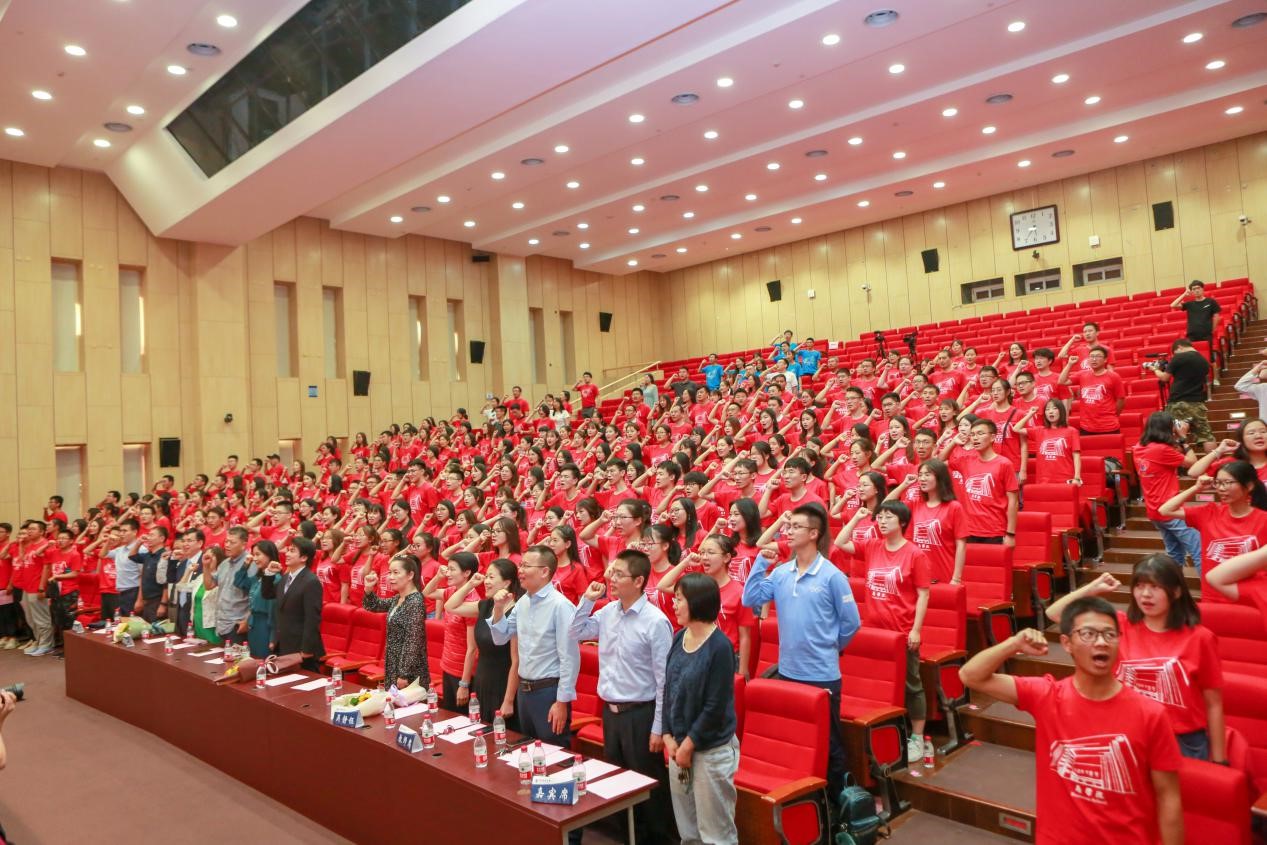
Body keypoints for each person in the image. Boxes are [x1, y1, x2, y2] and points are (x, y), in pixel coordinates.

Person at [959, 600, 1184, 845]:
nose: (1101, 642)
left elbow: (1169, 797)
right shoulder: (1047, 696)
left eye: (1110, 634)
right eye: (1088, 634)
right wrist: (1013, 644)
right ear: (1067, 643)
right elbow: (970, 676)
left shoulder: (1151, 714)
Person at [1044, 557, 1226, 763]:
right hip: (1128, 734)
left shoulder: (1200, 638)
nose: (1146, 594)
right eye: (1139, 586)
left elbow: (1214, 704)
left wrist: (1220, 761)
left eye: (1155, 586)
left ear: (1176, 592)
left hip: (1182, 741)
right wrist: (1091, 589)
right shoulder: (1119, 626)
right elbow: (1054, 613)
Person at [741, 503, 861, 801]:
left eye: (796, 527)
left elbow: (851, 623)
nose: (788, 531)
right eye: (788, 526)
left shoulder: (832, 576)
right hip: (788, 671)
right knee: (797, 742)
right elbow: (750, 598)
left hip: (822, 674)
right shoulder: (782, 573)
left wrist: (830, 646)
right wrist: (760, 563)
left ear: (814, 533)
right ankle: (805, 802)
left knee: (830, 743)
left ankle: (838, 804)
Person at [570, 550, 674, 845]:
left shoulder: (655, 622)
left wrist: (659, 727)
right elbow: (575, 631)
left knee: (647, 784)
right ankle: (629, 837)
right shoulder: (607, 612)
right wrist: (587, 600)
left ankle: (658, 840)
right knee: (618, 780)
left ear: (639, 581)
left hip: (641, 714)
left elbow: (664, 681)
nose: (611, 579)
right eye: (611, 572)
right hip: (611, 713)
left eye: (618, 574)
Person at [836, 501, 931, 763]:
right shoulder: (873, 546)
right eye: (880, 517)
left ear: (902, 522)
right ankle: (886, 735)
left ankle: (918, 737)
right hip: (874, 631)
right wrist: (857, 517)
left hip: (901, 630)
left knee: (911, 684)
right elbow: (841, 542)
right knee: (876, 684)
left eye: (888, 517)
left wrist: (916, 630)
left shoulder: (914, 554)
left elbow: (923, 594)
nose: (882, 521)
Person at [663, 573, 740, 845]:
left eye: (679, 599)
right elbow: (669, 688)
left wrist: (688, 744)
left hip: (710, 750)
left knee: (716, 835)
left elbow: (715, 706)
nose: (674, 605)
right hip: (678, 746)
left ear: (697, 602)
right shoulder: (679, 637)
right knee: (689, 833)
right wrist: (667, 735)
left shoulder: (720, 647)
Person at [489, 545, 580, 752]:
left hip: (548, 692)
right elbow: (500, 638)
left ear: (544, 571)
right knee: (530, 751)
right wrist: (498, 609)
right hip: (524, 691)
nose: (520, 570)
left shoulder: (560, 605)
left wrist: (562, 702)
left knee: (553, 753)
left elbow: (570, 658)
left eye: (526, 566)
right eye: (520, 565)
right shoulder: (522, 602)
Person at [1158, 461, 1267, 592]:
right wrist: (1196, 488)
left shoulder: (1263, 520)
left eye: (1227, 482)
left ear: (1249, 486)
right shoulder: (1208, 512)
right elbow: (1165, 510)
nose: (1221, 488)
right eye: (1218, 482)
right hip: (1212, 595)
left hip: (1250, 596)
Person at [446, 557, 521, 726]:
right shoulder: (485, 606)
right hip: (481, 680)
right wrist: (470, 584)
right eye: (486, 576)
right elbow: (450, 606)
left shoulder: (517, 611)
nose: (486, 581)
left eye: (491, 577)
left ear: (507, 582)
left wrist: (508, 700)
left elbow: (516, 661)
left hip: (503, 684)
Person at [1133, 412, 1200, 568]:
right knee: (1200, 551)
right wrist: (1183, 437)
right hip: (1171, 510)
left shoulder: (1138, 448)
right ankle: (1208, 585)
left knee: (1175, 555)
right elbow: (1193, 462)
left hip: (1154, 511)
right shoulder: (1162, 450)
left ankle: (1172, 584)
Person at [940, 419, 1019, 545]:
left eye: (980, 433)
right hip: (968, 529)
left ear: (992, 437)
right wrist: (954, 442)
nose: (975, 438)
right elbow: (940, 460)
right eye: (972, 434)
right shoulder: (966, 461)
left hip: (994, 530)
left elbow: (1013, 502)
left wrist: (1010, 533)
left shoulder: (1004, 464)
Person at [360, 551, 428, 686]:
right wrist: (368, 589)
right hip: (393, 663)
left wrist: (404, 674)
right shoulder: (398, 598)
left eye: (396, 573)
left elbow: (413, 641)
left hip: (408, 671)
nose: (391, 577)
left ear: (410, 575)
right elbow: (374, 605)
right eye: (390, 573)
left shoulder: (415, 602)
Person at [260, 536, 324, 671]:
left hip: (301, 648)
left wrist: (306, 649)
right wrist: (269, 573)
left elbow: (312, 618)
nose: (287, 554)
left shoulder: (311, 581)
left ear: (304, 557)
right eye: (288, 550)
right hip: (283, 643)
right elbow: (267, 594)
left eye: (292, 551)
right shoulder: (286, 578)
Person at [1153, 338, 1214, 453]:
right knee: (1206, 436)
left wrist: (1155, 369)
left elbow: (1164, 378)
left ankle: (1180, 463)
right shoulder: (1204, 361)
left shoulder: (1179, 357)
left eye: (1175, 352)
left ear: (1179, 347)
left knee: (1176, 435)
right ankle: (1214, 462)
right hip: (1197, 402)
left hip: (1178, 402)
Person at [204, 527, 252, 649]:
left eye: (232, 542)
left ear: (244, 544)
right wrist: (206, 566)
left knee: (236, 660)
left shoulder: (251, 563)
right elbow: (209, 585)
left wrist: (248, 620)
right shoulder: (224, 564)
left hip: (238, 625)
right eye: (226, 541)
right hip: (221, 623)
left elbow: (255, 594)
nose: (227, 545)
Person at [1171, 280, 1221, 374]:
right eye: (1194, 289)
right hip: (1192, 336)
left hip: (1206, 335)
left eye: (1198, 288)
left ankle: (1215, 378)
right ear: (1192, 291)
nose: (1196, 290)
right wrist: (1184, 294)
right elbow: (1173, 305)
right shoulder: (1190, 304)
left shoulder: (1210, 302)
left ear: (1202, 289)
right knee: (1192, 358)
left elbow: (1216, 316)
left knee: (1210, 358)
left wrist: (1212, 329)